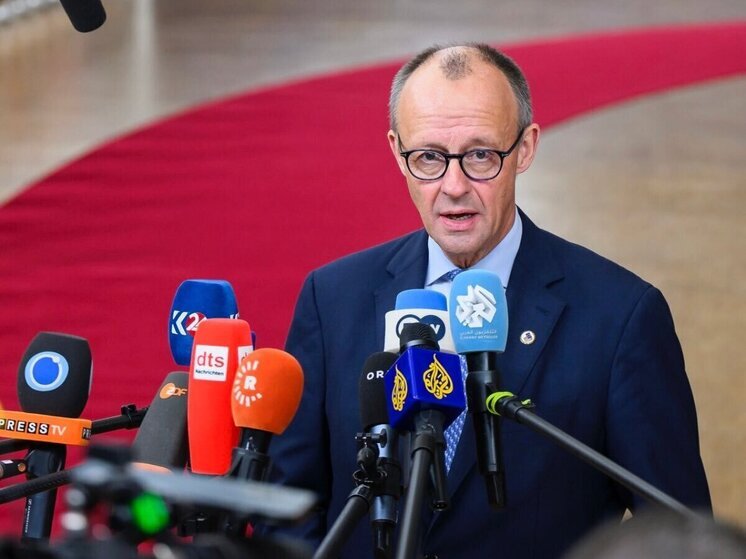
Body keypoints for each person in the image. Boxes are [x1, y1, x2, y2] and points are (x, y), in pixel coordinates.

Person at [267, 43, 711, 559]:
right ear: (396, 152)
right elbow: (288, 506)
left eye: (481, 155)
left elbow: (682, 538)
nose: (453, 186)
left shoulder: (621, 318)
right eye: (429, 157)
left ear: (525, 148)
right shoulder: (332, 298)